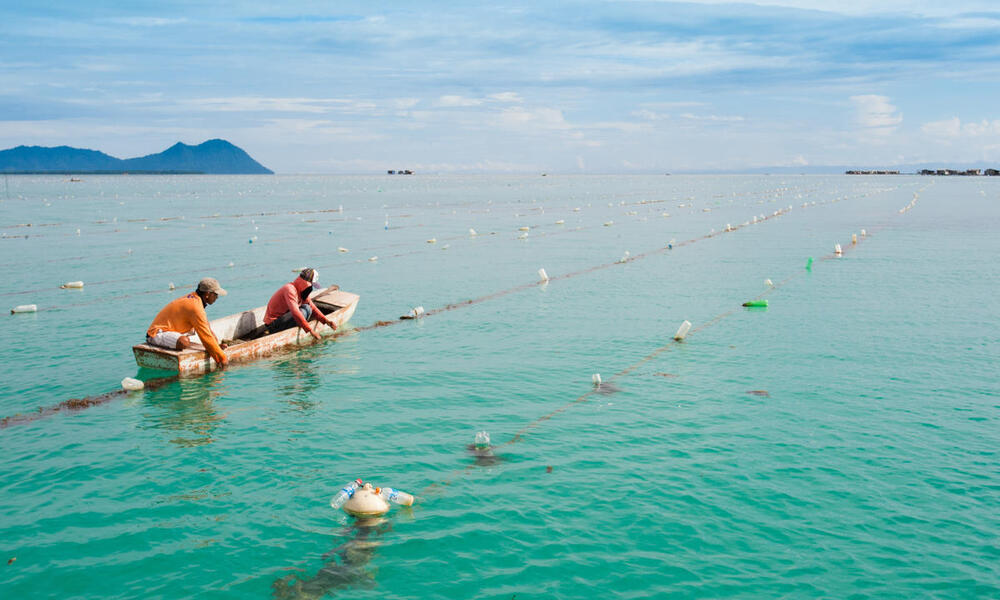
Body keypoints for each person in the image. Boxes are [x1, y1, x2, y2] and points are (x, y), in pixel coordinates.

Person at [146, 277, 229, 367]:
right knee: (184, 342)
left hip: (170, 331)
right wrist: (222, 359)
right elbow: (205, 336)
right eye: (216, 294)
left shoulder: (195, 300)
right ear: (207, 294)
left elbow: (207, 328)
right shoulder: (195, 307)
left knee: (202, 336)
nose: (217, 297)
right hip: (155, 334)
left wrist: (217, 346)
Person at [262, 268, 337, 341]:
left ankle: (301, 325)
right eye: (311, 285)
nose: (311, 288)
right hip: (273, 325)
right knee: (303, 312)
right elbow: (295, 312)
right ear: (306, 283)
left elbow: (313, 307)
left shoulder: (300, 291)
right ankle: (300, 327)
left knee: (308, 308)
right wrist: (310, 330)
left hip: (284, 319)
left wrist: (327, 321)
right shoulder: (290, 289)